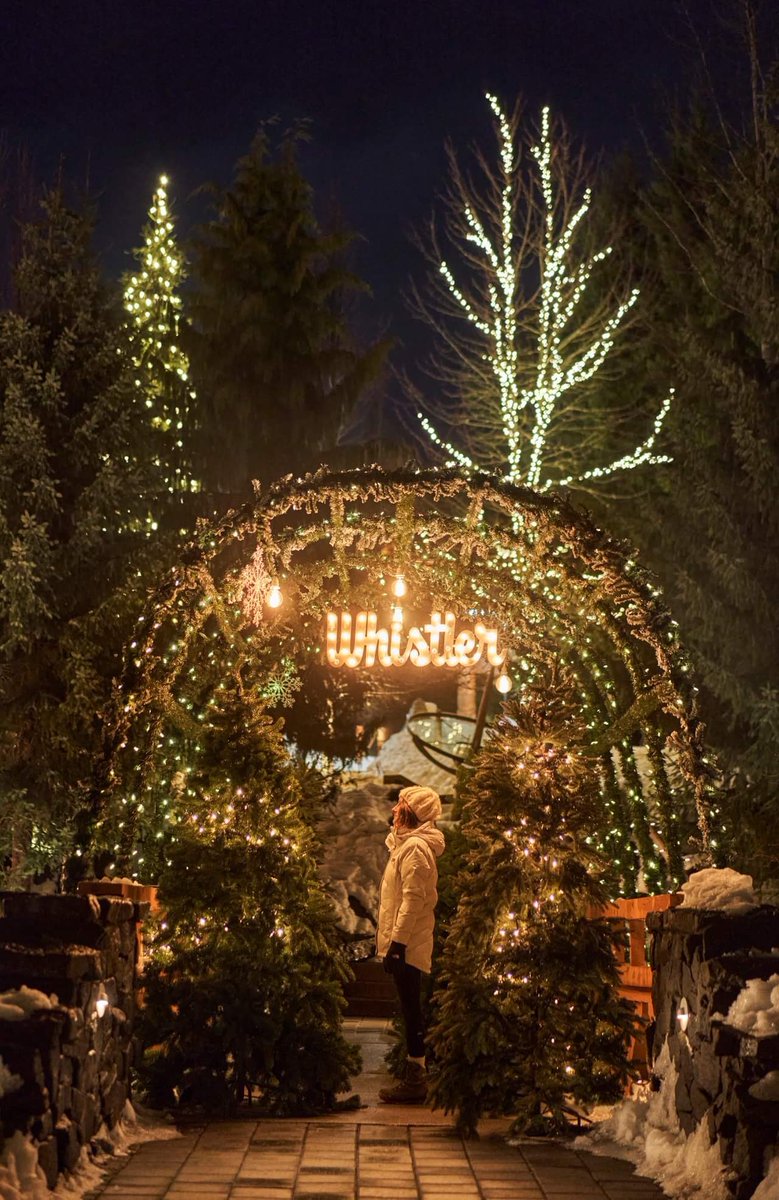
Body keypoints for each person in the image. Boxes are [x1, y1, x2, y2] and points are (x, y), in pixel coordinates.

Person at [376, 784, 445, 1103]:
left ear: (412, 813)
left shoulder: (414, 848)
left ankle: (416, 1078)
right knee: (409, 1007)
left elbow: (413, 899)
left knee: (411, 1009)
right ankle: (414, 1073)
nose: (394, 810)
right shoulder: (405, 845)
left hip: (409, 943)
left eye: (400, 805)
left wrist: (398, 943)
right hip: (405, 942)